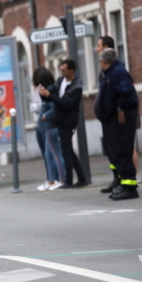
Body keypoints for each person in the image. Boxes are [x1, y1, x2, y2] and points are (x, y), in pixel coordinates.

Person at [95, 36, 141, 192]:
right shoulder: (107, 73)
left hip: (120, 118)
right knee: (114, 151)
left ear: (104, 61)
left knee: (122, 151)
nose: (96, 49)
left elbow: (126, 93)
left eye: (99, 46)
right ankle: (121, 182)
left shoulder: (117, 72)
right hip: (110, 119)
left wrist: (120, 108)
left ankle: (129, 187)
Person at [39, 59, 88, 188]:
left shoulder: (76, 86)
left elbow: (66, 104)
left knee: (66, 150)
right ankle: (82, 178)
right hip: (60, 119)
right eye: (60, 70)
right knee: (68, 150)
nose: (61, 72)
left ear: (71, 70)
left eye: (64, 70)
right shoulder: (60, 81)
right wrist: (44, 94)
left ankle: (68, 181)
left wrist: (50, 95)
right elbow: (53, 96)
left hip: (68, 120)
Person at [36, 67, 66, 190]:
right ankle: (51, 180)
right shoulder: (47, 90)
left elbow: (54, 107)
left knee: (56, 153)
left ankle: (62, 179)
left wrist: (45, 116)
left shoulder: (50, 91)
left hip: (50, 126)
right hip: (46, 127)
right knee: (49, 155)